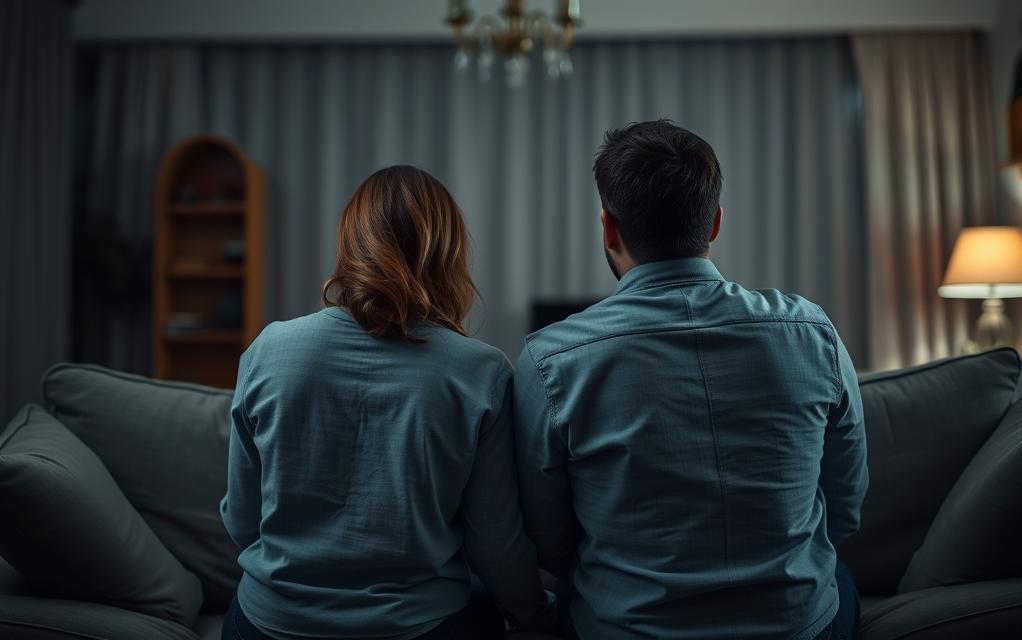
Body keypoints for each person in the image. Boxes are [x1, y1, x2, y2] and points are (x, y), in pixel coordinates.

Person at [513, 120, 868, 640]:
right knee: (836, 575)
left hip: (629, 628)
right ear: (716, 223)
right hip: (797, 627)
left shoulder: (549, 362)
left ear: (609, 228)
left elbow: (548, 538)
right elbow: (846, 505)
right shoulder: (812, 332)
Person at [221, 165, 555, 640]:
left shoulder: (268, 350)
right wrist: (541, 614)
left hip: (269, 623)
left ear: (351, 244)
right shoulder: (481, 371)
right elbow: (495, 543)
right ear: (448, 252)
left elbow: (242, 520)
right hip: (420, 626)